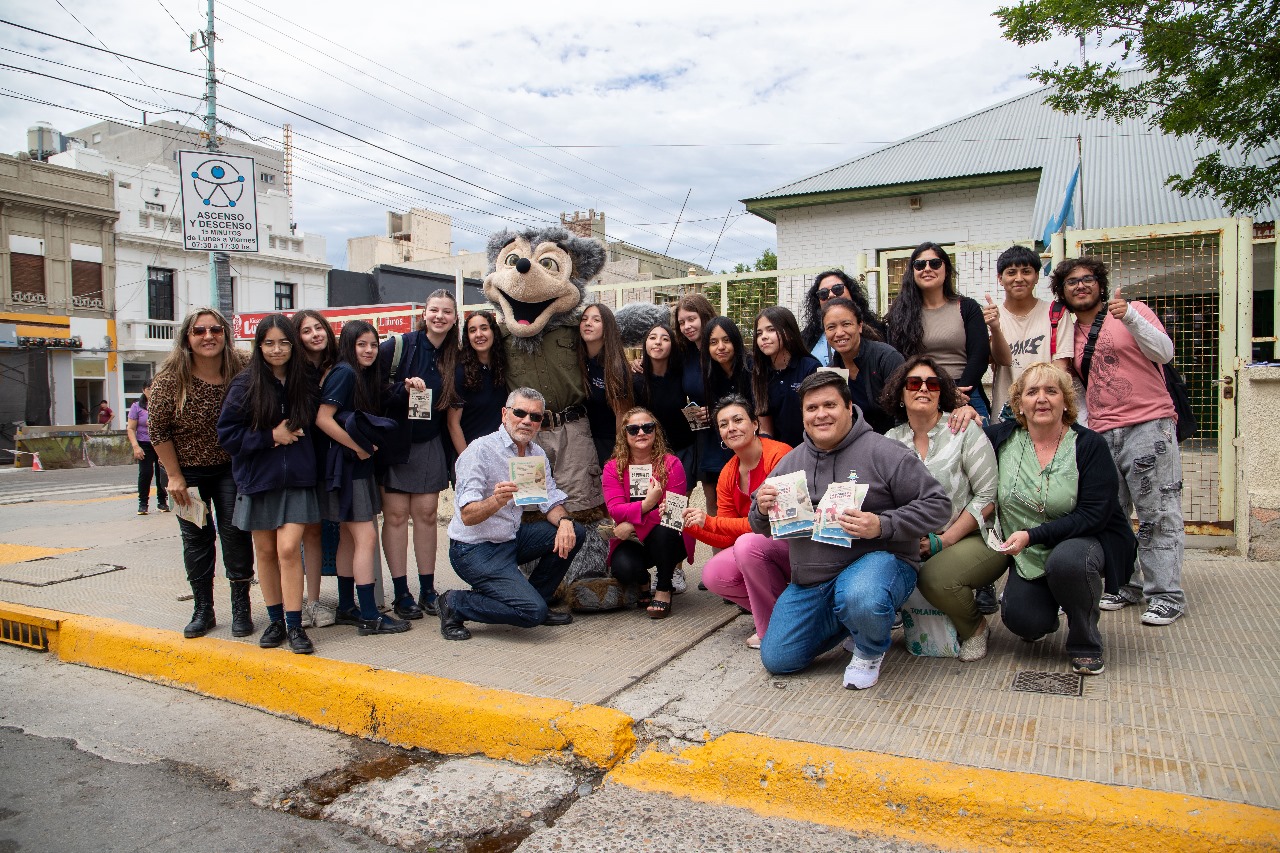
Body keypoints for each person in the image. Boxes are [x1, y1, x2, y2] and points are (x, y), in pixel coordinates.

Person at [750, 371, 951, 689]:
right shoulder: (791, 461)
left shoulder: (885, 452)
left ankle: (870, 649)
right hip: (813, 582)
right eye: (811, 408)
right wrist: (760, 508)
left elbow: (939, 506)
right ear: (802, 415)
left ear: (848, 407)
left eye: (829, 405)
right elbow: (757, 524)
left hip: (878, 565)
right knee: (779, 660)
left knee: (860, 595)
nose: (820, 415)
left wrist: (883, 525)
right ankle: (854, 623)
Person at [1053, 257, 1187, 626]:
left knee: (1157, 512)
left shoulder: (1134, 311)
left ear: (1100, 283)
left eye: (1088, 279)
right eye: (1072, 282)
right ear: (1062, 291)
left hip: (1148, 424)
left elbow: (1164, 352)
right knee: (1112, 514)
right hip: (1099, 431)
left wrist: (1128, 316)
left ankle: (1165, 595)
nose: (1081, 286)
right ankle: (1124, 584)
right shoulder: (1068, 332)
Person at [987, 362, 1138, 675]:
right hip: (1029, 553)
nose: (1042, 399)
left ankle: (1085, 641)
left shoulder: (1089, 445)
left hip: (1082, 540)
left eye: (1051, 391)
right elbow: (959, 443)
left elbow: (1094, 514)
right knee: (1022, 621)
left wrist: (1033, 535)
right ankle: (1053, 601)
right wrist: (961, 414)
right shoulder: (1001, 439)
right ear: (1019, 404)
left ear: (1066, 401)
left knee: (1068, 563)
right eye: (1032, 392)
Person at [883, 357, 1007, 662]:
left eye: (932, 383)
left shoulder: (964, 431)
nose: (923, 388)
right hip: (913, 542)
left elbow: (987, 498)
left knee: (935, 578)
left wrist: (945, 539)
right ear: (901, 393)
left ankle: (975, 627)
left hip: (974, 537)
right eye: (914, 383)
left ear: (942, 393)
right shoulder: (889, 441)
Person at [438, 388, 583, 640]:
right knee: (531, 614)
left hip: (509, 539)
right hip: (474, 549)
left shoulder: (536, 454)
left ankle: (536, 598)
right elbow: (467, 516)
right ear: (505, 414)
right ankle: (456, 602)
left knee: (575, 532)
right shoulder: (480, 451)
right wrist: (496, 501)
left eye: (535, 417)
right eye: (520, 413)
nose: (527, 421)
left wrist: (565, 522)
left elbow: (548, 501)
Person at [148, 308, 255, 640]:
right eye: (199, 331)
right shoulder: (169, 379)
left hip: (231, 470)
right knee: (196, 541)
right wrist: (174, 476)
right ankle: (203, 609)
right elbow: (157, 431)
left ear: (225, 334)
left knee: (236, 535)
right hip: (188, 476)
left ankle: (241, 608)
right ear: (187, 338)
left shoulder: (242, 366)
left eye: (215, 330)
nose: (208, 336)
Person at [217, 314, 320, 654]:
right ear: (259, 346)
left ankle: (294, 624)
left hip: (298, 479)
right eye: (270, 343)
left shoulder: (305, 380)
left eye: (284, 343)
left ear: (293, 344)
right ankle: (275, 621)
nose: (277, 350)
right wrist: (270, 437)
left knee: (289, 549)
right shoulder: (243, 385)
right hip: (258, 479)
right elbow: (228, 436)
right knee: (265, 552)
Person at [316, 320, 410, 636]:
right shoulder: (345, 373)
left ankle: (346, 607)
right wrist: (358, 447)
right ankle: (369, 615)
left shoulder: (361, 375)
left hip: (354, 465)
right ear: (349, 346)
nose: (369, 350)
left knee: (348, 537)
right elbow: (322, 419)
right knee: (365, 538)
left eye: (373, 344)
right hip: (349, 465)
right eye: (362, 344)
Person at [684, 395, 791, 648]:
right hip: (755, 547)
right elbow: (726, 535)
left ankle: (771, 628)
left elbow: (776, 523)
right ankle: (781, 614)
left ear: (755, 424)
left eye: (737, 420)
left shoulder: (780, 455)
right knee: (714, 574)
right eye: (723, 424)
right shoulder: (728, 473)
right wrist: (689, 526)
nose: (730, 428)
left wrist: (709, 522)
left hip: (793, 544)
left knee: (746, 544)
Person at [377, 290, 459, 619]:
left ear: (455, 319)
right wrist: (401, 390)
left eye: (447, 312)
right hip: (396, 442)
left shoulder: (456, 356)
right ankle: (401, 592)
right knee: (396, 517)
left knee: (426, 516)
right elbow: (370, 386)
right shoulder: (399, 347)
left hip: (429, 443)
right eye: (434, 310)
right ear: (424, 313)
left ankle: (427, 589)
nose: (440, 316)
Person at [602, 408, 695, 618]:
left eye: (647, 427)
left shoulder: (671, 463)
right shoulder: (613, 468)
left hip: (666, 537)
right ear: (624, 435)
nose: (641, 433)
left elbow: (673, 510)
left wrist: (633, 523)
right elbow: (615, 510)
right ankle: (643, 581)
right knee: (624, 569)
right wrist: (648, 504)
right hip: (632, 541)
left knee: (664, 531)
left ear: (656, 431)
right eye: (633, 429)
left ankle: (664, 587)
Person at [885, 242, 993, 421]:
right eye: (920, 265)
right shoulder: (900, 313)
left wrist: (955, 394)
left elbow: (980, 356)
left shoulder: (967, 307)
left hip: (964, 390)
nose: (927, 269)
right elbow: (898, 360)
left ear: (946, 269)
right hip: (919, 391)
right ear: (912, 272)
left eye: (934, 263)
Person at [987, 244, 1075, 422]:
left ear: (1036, 277)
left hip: (1046, 413)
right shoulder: (991, 317)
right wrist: (994, 327)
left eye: (1026, 271)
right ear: (1000, 278)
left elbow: (1061, 369)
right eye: (1011, 273)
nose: (1019, 278)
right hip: (1005, 416)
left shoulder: (1055, 314)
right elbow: (994, 361)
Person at [292, 309, 339, 630]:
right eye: (307, 331)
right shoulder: (291, 372)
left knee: (315, 531)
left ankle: (313, 600)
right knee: (293, 536)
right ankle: (294, 604)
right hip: (297, 458)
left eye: (319, 328)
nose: (315, 334)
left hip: (327, 460)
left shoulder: (335, 368)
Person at [822, 297, 903, 435]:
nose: (839, 333)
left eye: (846, 324)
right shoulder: (832, 371)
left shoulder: (886, 358)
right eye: (831, 327)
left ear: (859, 326)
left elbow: (903, 411)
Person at [751, 306, 821, 447]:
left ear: (789, 333)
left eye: (771, 330)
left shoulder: (810, 367)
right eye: (759, 333)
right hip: (779, 455)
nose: (764, 336)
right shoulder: (760, 373)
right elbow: (765, 427)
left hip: (812, 449)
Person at [699, 316, 753, 489]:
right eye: (713, 342)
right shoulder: (710, 372)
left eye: (726, 340)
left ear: (736, 341)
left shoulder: (751, 368)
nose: (720, 347)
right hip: (721, 438)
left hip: (749, 438)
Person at [578, 303, 632, 467]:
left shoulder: (615, 366)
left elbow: (622, 414)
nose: (588, 323)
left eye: (596, 320)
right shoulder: (576, 360)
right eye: (584, 319)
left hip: (607, 442)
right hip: (580, 440)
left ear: (607, 327)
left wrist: (619, 451)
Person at [448, 310, 508, 455]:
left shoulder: (504, 367)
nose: (479, 334)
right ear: (467, 337)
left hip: (500, 452)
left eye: (484, 328)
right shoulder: (460, 372)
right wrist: (467, 459)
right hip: (471, 452)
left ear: (493, 331)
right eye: (472, 330)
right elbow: (453, 424)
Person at [800, 269, 885, 365]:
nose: (831, 295)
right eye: (823, 293)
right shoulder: (806, 338)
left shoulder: (881, 333)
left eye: (837, 289)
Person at [127, 382, 169, 516]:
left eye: (154, 388)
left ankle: (162, 501)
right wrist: (135, 446)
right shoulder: (137, 407)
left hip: (161, 443)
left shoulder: (162, 404)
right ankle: (143, 503)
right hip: (144, 444)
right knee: (145, 473)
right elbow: (131, 428)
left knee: (162, 473)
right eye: (149, 389)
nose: (152, 391)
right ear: (143, 390)